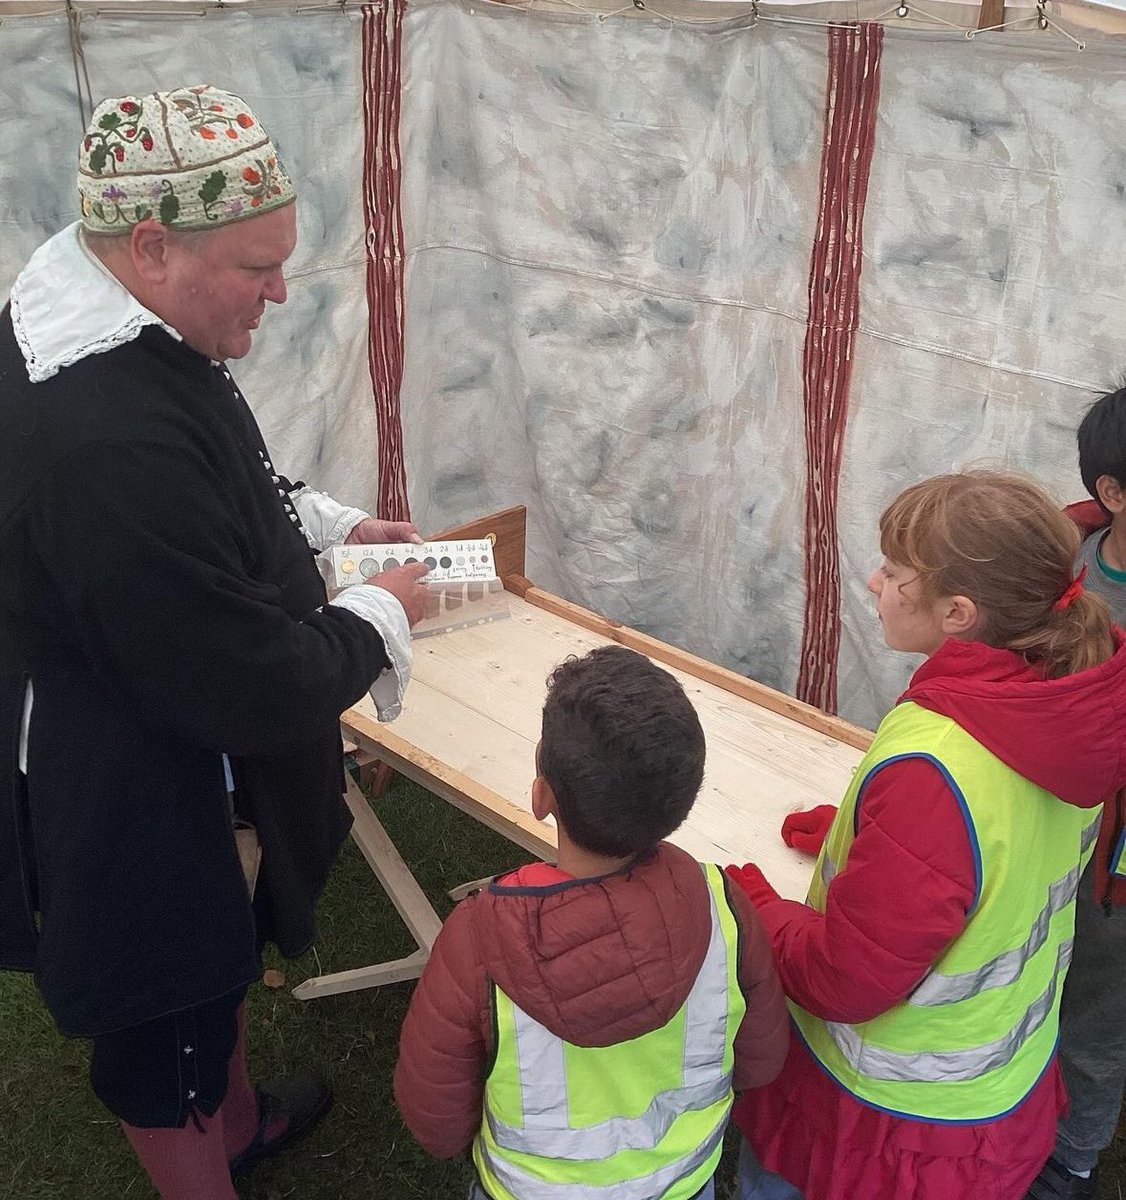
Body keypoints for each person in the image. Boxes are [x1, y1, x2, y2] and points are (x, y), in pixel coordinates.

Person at [0, 85, 430, 1199]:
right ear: (151, 246)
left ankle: (236, 1122)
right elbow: (241, 683)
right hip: (127, 777)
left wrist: (325, 530)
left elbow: (216, 482)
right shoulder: (97, 434)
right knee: (167, 1018)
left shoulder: (112, 315)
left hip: (154, 710)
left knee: (214, 965)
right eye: (257, 266)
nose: (283, 289)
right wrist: (380, 611)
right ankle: (209, 1153)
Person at [725, 471, 1126, 1200]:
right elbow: (997, 852)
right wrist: (865, 830)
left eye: (896, 570)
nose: (875, 579)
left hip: (890, 1115)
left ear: (958, 613)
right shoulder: (1067, 705)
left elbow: (843, 977)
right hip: (994, 1081)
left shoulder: (939, 764)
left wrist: (757, 908)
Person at [393, 644, 790, 1200]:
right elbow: (762, 1059)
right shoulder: (725, 907)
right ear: (681, 802)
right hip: (682, 1182)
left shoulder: (480, 938)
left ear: (541, 795)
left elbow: (436, 1119)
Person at [1025, 389, 1126, 1200]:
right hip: (1049, 821)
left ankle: (1072, 1162)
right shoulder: (1062, 568)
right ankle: (1019, 1127)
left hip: (1119, 868)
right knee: (1031, 978)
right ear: (1112, 494)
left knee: (1099, 1005)